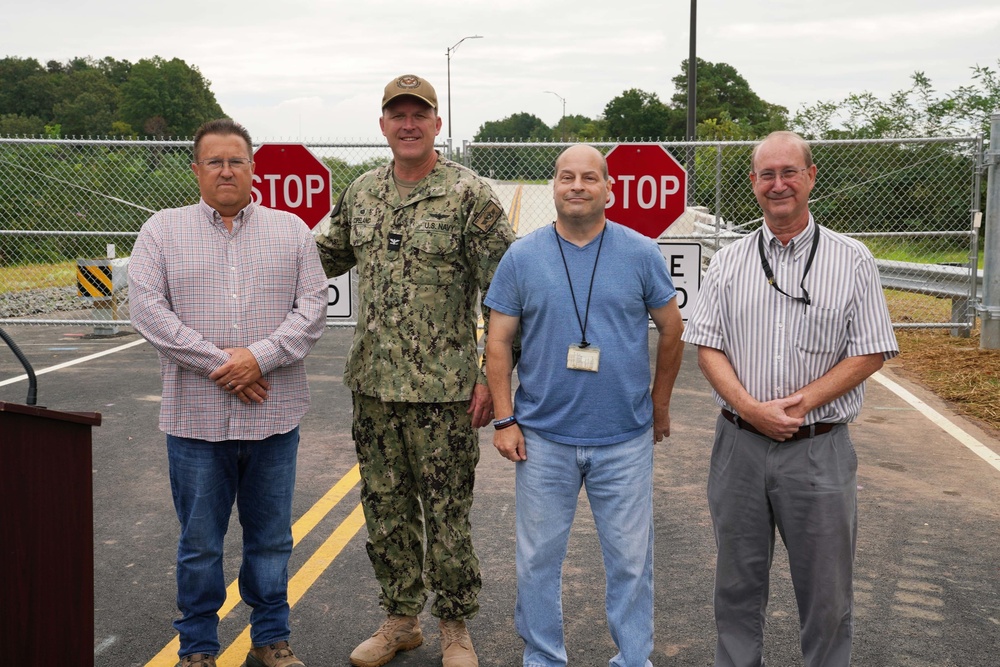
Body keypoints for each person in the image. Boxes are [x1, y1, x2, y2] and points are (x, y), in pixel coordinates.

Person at [313, 74, 515, 667]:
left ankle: (455, 626)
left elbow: (506, 294)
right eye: (396, 115)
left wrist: (489, 378)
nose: (408, 125)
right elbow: (325, 256)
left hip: (445, 389)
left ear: (436, 124)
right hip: (374, 385)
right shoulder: (361, 193)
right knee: (384, 508)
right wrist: (250, 241)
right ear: (382, 125)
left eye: (418, 115)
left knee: (448, 509)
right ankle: (401, 619)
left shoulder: (469, 195)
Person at [681, 131, 899, 667]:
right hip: (740, 447)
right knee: (736, 588)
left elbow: (870, 350)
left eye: (789, 172)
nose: (778, 185)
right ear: (753, 183)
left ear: (810, 177)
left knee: (827, 597)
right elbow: (706, 346)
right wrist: (752, 409)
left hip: (818, 450)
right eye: (766, 175)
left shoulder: (852, 260)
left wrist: (799, 404)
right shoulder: (729, 262)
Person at [128, 118, 327, 667]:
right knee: (199, 547)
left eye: (236, 160)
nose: (225, 170)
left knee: (270, 542)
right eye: (213, 161)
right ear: (196, 170)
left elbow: (313, 310)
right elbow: (147, 311)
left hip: (274, 421)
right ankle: (197, 647)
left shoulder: (291, 232)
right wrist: (229, 365)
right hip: (196, 424)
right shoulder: (161, 232)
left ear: (253, 168)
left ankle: (271, 639)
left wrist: (259, 357)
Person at [484, 144, 685, 667]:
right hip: (543, 439)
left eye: (589, 177)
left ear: (608, 188)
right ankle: (544, 658)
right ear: (553, 187)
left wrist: (659, 404)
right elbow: (498, 341)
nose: (577, 185)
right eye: (566, 177)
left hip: (624, 439)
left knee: (630, 562)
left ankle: (633, 659)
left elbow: (672, 330)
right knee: (537, 561)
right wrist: (505, 419)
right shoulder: (522, 257)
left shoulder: (641, 253)